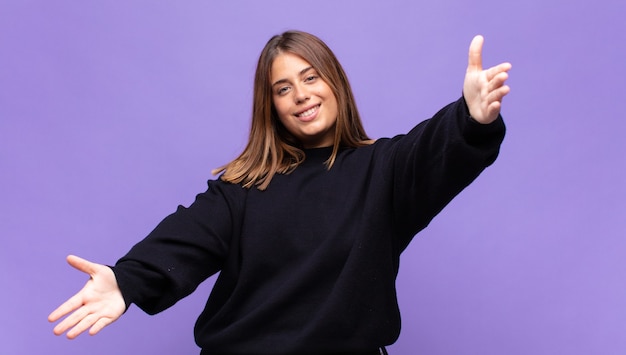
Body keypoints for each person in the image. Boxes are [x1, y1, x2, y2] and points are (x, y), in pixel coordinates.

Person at [48, 30, 511, 354]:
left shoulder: (384, 169)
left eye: (311, 78)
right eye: (283, 88)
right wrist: (127, 280)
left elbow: (435, 149)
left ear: (335, 82)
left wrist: (470, 116)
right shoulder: (244, 187)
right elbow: (184, 237)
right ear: (270, 106)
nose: (300, 95)